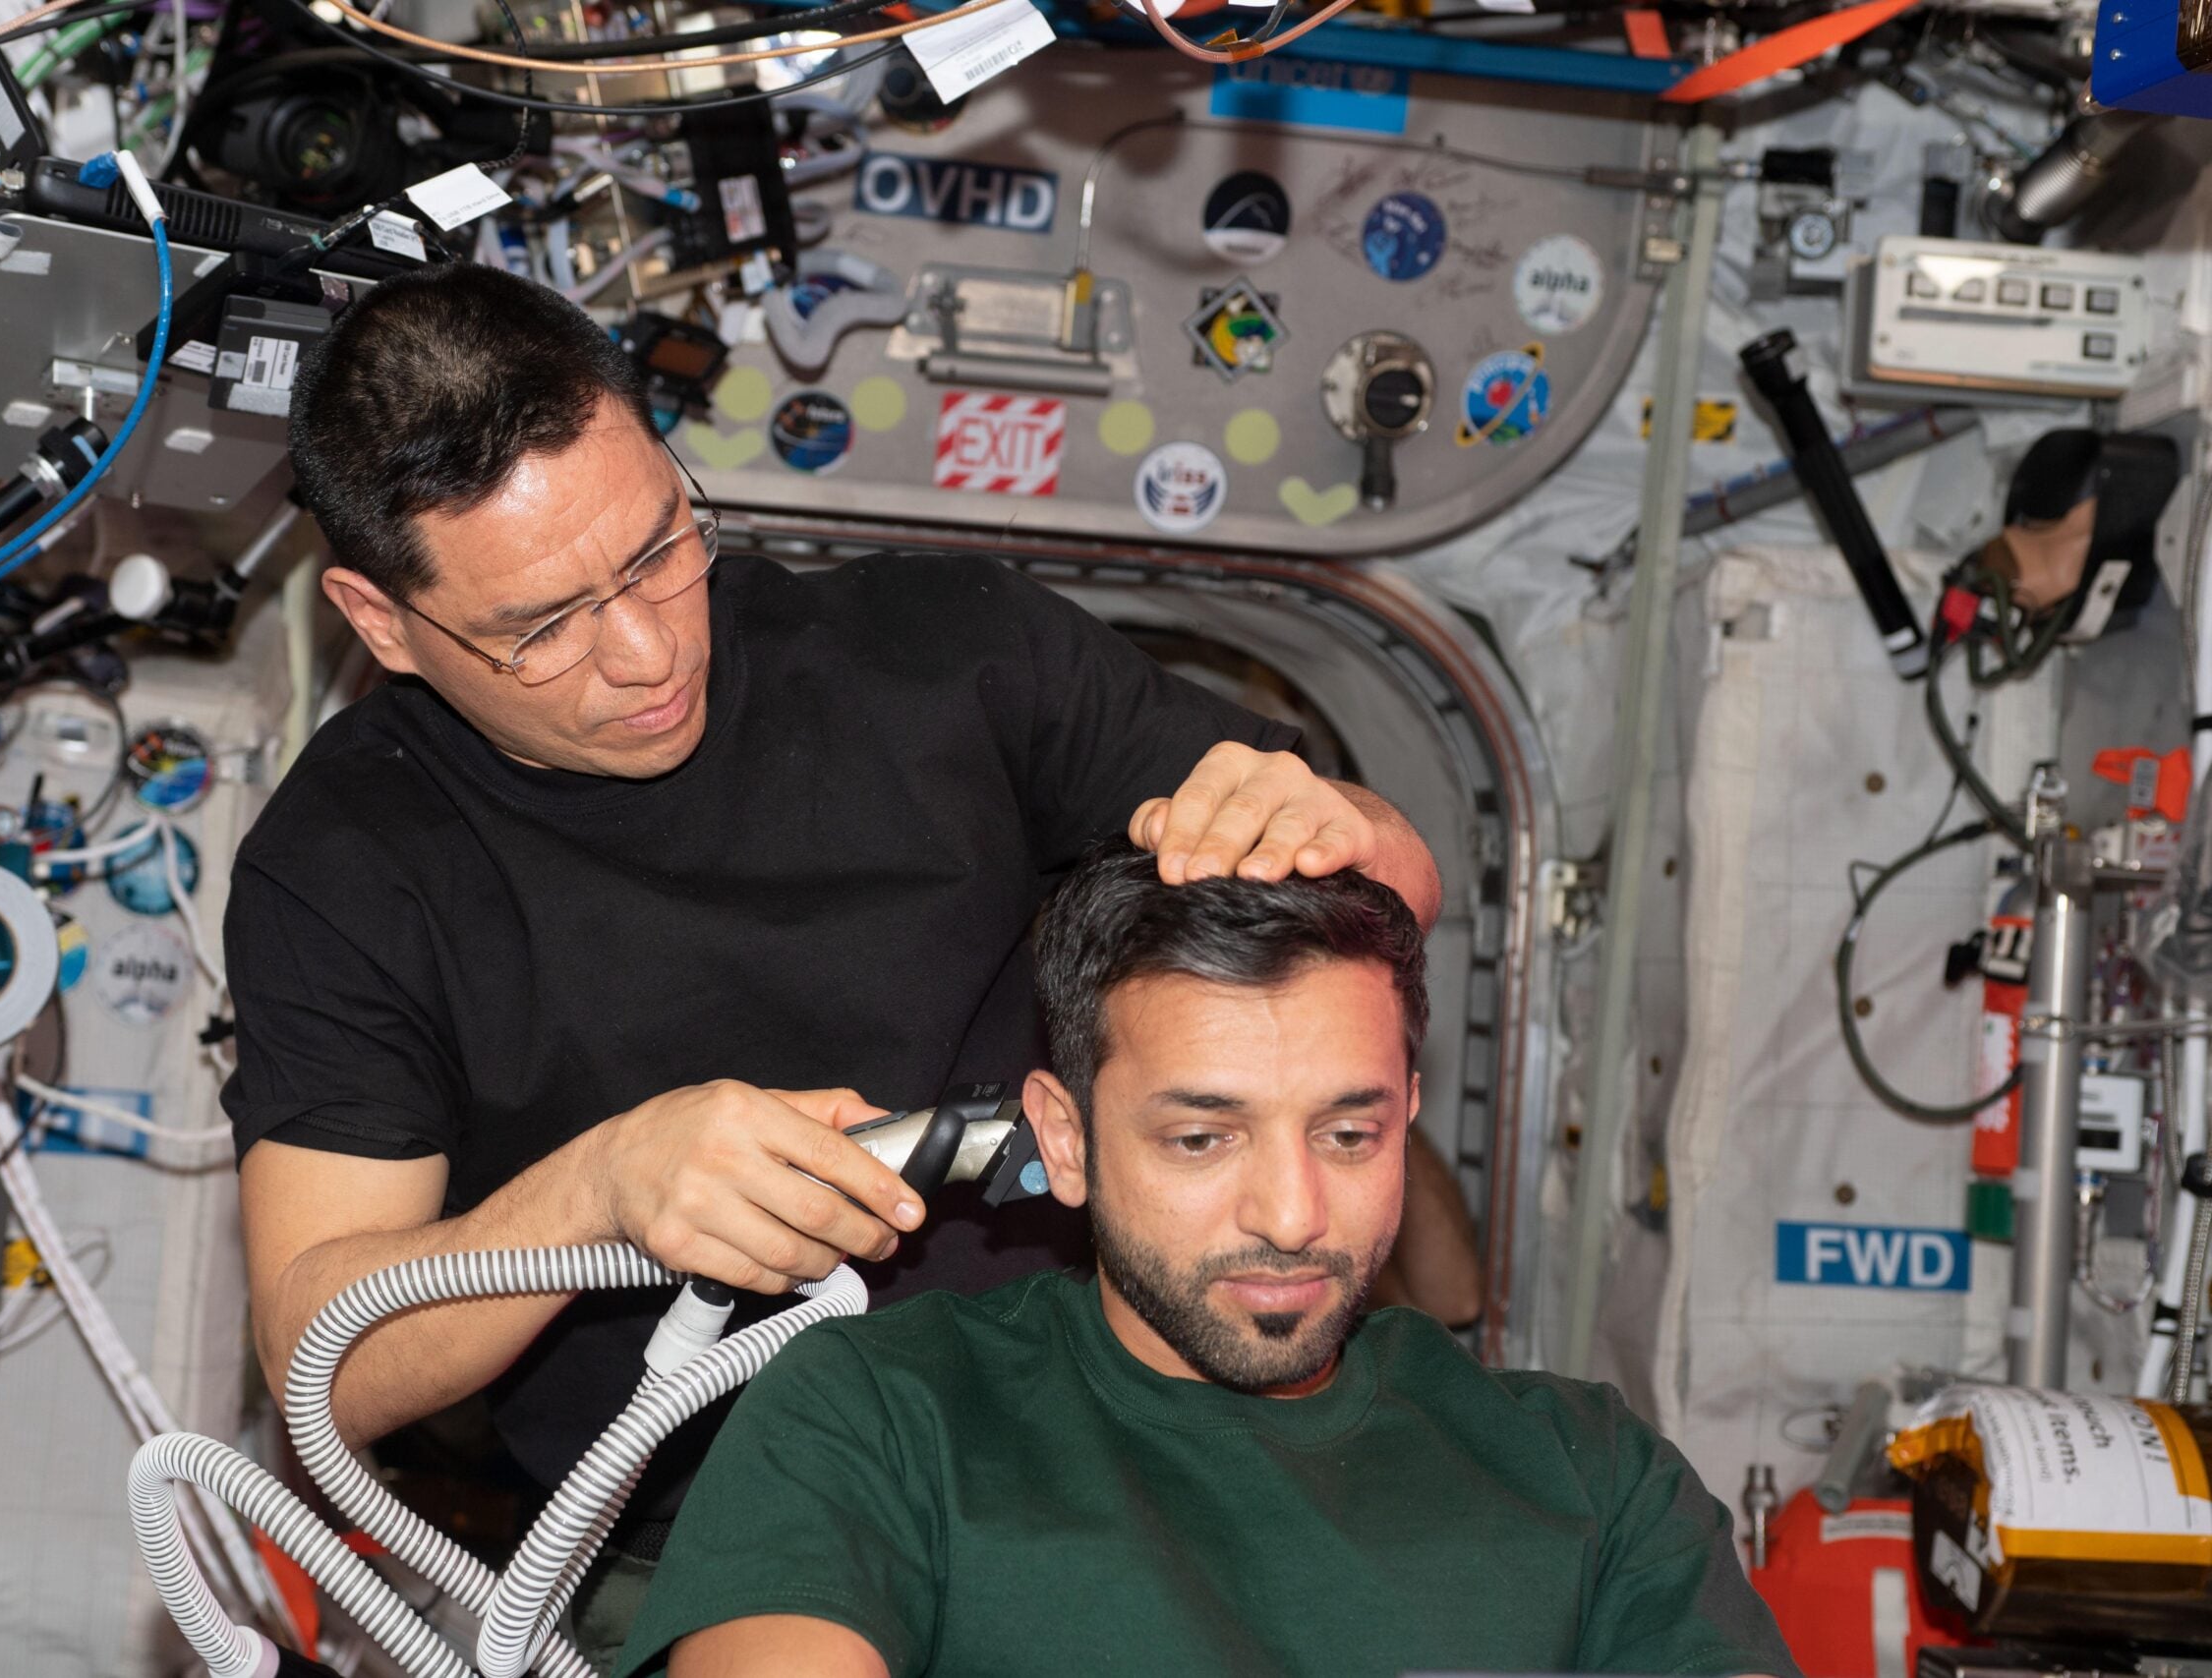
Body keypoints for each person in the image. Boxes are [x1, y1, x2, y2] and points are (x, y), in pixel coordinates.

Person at [223, 264, 1442, 1655]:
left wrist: (1354, 829)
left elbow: (1383, 884)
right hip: (698, 1529)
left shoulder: (948, 654)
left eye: (658, 551)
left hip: (1112, 1452)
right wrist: (598, 1191)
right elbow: (327, 1359)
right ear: (384, 624)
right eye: (543, 628)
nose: (643, 652)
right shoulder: (346, 862)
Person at [617, 837, 1797, 1678]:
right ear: (1065, 1139)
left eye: (1349, 1133)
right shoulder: (879, 1413)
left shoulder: (1591, 1474)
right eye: (1200, 1137)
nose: (1290, 1212)